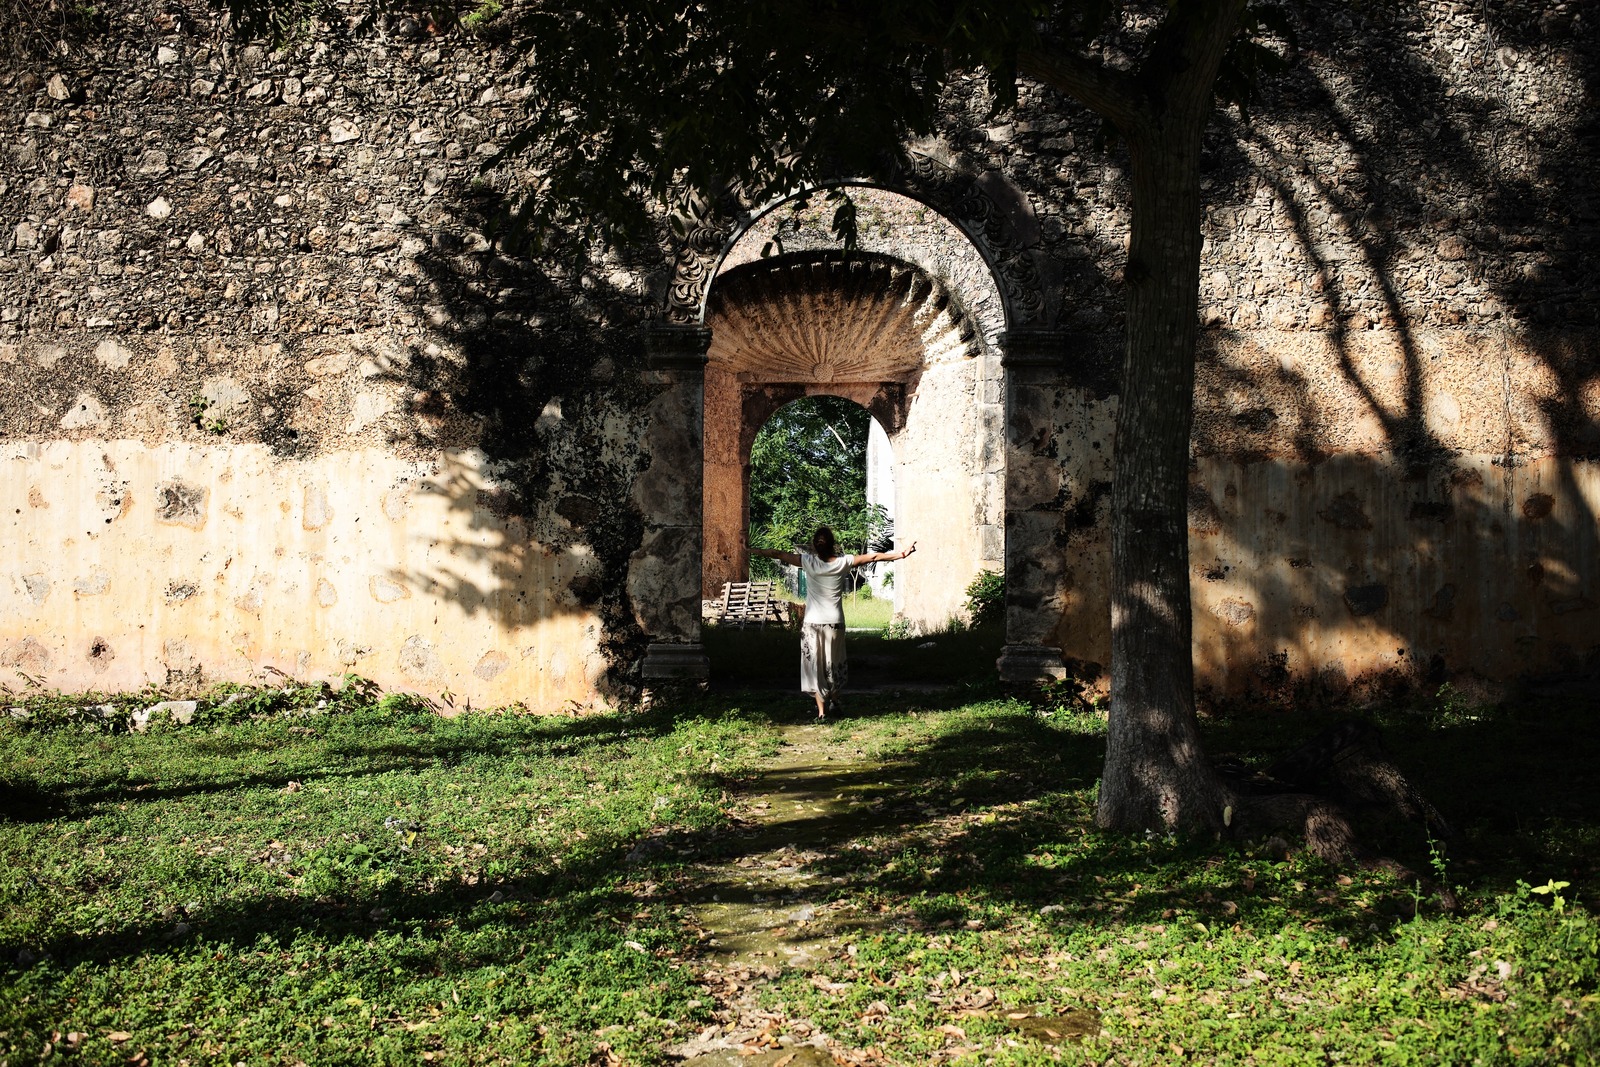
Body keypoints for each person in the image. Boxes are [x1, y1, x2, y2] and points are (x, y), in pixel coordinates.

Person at [752, 526, 917, 720]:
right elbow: (873, 557)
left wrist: (750, 550)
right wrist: (902, 554)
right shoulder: (843, 562)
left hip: (812, 623)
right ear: (833, 544)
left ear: (814, 545)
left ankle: (821, 712)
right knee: (834, 662)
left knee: (814, 664)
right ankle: (835, 700)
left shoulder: (807, 562)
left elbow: (777, 553)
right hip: (834, 622)